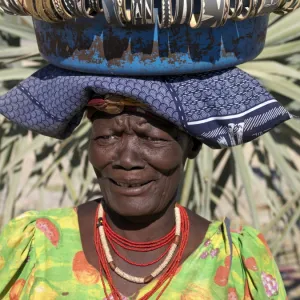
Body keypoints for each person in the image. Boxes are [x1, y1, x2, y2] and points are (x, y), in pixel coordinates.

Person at [0, 66, 289, 299]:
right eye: (107, 137)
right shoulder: (35, 246)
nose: (127, 159)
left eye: (151, 138)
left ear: (191, 146)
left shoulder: (234, 263)